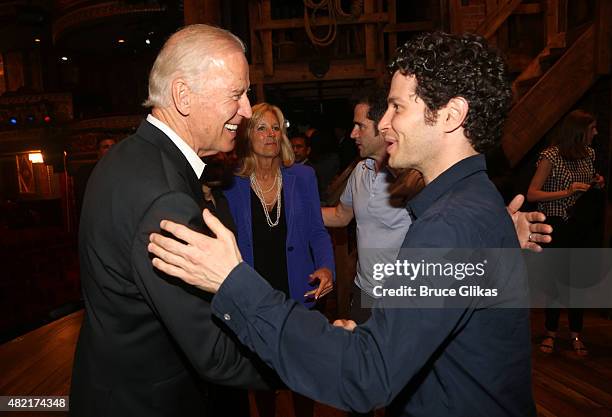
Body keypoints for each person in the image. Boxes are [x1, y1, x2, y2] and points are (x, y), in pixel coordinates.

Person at [149, 32, 537, 417]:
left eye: (397, 108)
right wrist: (371, 341)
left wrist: (231, 281)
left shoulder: (452, 224)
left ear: (451, 115)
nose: (383, 124)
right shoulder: (474, 203)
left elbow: (365, 376)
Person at [70, 25, 269, 417]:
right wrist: (318, 358)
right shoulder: (163, 197)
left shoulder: (129, 156)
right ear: (183, 95)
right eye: (237, 94)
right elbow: (215, 352)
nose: (247, 109)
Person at [323, 88, 551, 323]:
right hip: (365, 292)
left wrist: (497, 230)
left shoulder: (417, 178)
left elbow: (456, 224)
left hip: (408, 297)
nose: (352, 134)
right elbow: (341, 215)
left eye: (360, 126)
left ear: (382, 128)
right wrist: (290, 209)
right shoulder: (360, 172)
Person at [225, 101, 334, 417]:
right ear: (248, 135)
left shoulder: (303, 177)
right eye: (261, 127)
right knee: (262, 382)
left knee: (303, 379)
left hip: (298, 293)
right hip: (254, 299)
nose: (270, 134)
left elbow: (316, 230)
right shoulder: (232, 183)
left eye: (276, 127)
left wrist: (327, 267)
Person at [527, 109, 605, 356]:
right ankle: (550, 332)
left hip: (581, 224)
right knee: (556, 281)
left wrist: (597, 183)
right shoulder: (550, 155)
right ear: (579, 131)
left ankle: (576, 333)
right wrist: (567, 192)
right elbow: (532, 194)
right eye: (592, 128)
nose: (596, 132)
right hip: (555, 223)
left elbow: (586, 183)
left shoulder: (589, 154)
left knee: (578, 282)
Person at [73, 137, 117, 218]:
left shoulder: (123, 170)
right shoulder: (86, 172)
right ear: (98, 151)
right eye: (106, 147)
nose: (110, 150)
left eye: (113, 147)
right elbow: (82, 200)